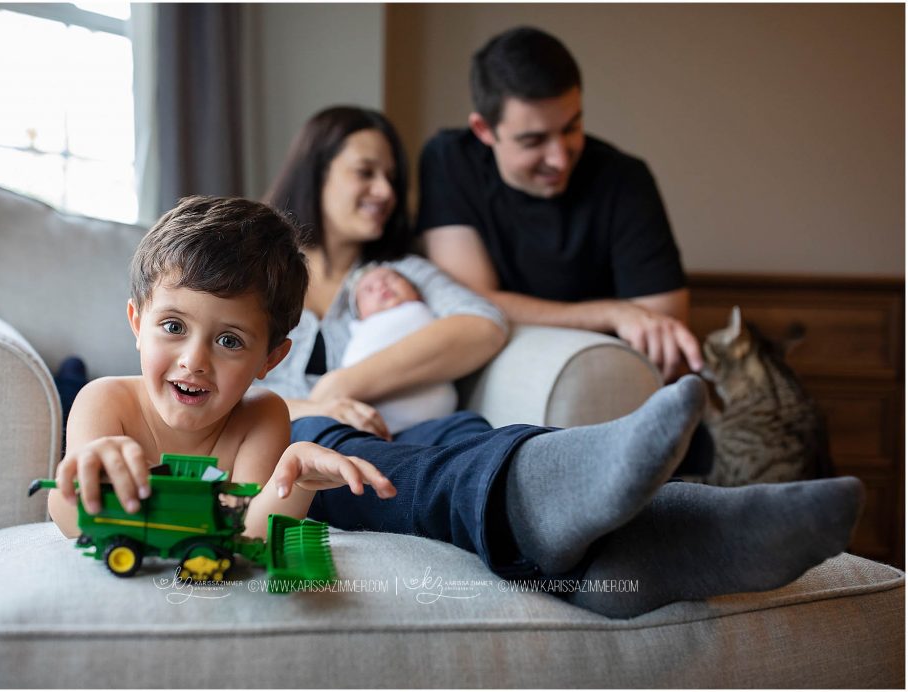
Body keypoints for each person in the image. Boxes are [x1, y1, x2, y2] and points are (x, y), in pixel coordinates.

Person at [262, 105, 864, 619]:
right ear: (318, 171)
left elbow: (481, 326)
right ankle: (644, 516)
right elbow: (216, 384)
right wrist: (318, 404)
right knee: (324, 445)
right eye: (366, 171)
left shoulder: (401, 273)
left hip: (404, 425)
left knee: (469, 434)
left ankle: (624, 565)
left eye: (392, 176)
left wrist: (347, 381)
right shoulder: (258, 276)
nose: (388, 191)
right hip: (295, 442)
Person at [47, 196, 396, 541]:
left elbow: (246, 537)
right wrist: (82, 477)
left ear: (270, 359)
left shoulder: (262, 416)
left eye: (229, 341)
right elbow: (69, 522)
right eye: (173, 327)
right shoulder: (104, 402)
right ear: (138, 324)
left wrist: (296, 482)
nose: (194, 361)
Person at [418, 26, 703, 383]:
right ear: (483, 131)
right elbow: (469, 303)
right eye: (533, 140)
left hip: (603, 378)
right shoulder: (450, 160)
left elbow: (664, 322)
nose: (559, 159)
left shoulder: (624, 179)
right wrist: (613, 314)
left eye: (571, 128)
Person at [342, 265, 458, 433]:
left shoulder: (420, 312)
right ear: (359, 313)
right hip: (380, 427)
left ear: (416, 291)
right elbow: (351, 367)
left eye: (392, 279)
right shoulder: (362, 331)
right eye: (368, 289)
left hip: (441, 421)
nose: (382, 286)